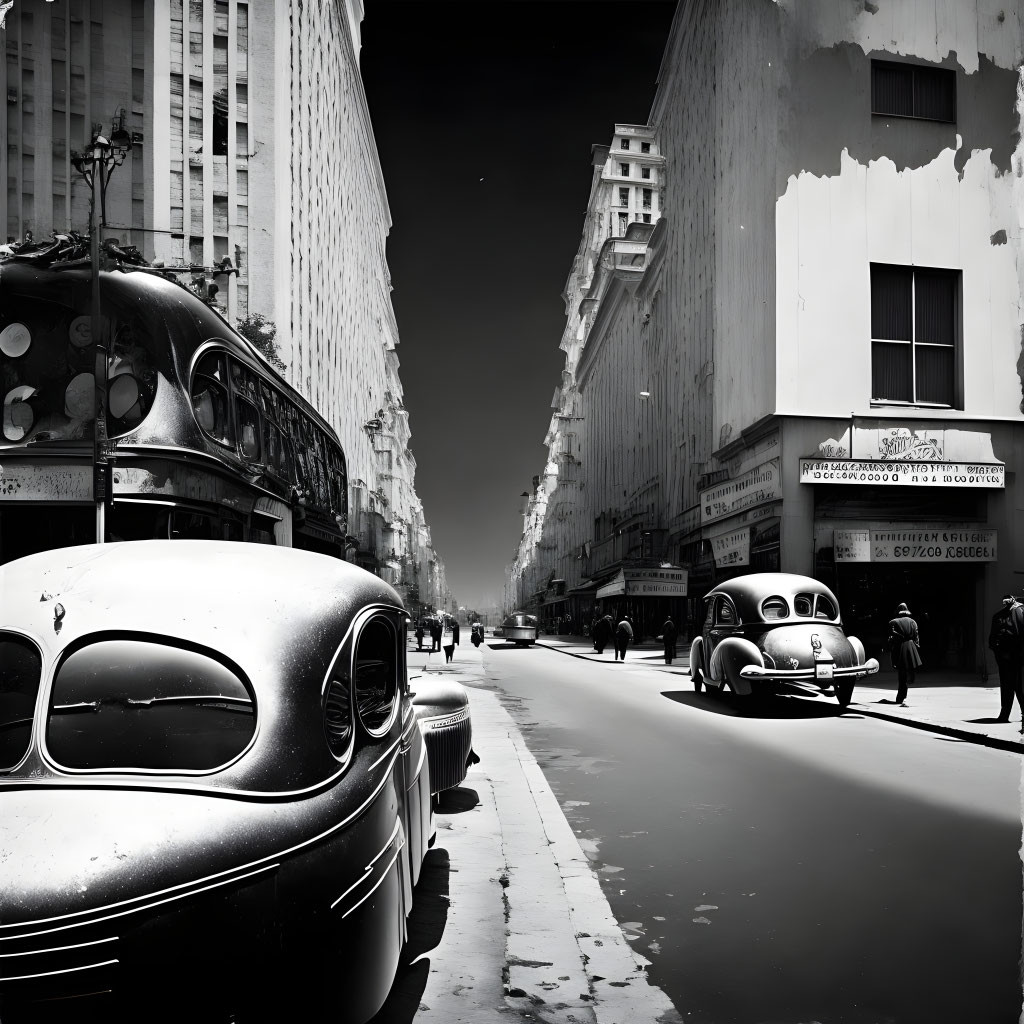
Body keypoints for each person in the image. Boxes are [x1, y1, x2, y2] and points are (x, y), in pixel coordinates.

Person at [987, 593, 1024, 724]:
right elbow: (993, 639)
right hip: (1011, 656)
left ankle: (1005, 714)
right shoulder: (1016, 613)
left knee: (1013, 685)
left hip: (1012, 656)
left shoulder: (1011, 613)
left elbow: (992, 640)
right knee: (1016, 685)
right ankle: (1006, 713)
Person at [885, 602, 921, 706]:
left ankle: (901, 697)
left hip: (899, 647)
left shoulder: (893, 622)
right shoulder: (913, 622)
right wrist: (916, 647)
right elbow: (916, 636)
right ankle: (903, 695)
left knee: (902, 674)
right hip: (911, 646)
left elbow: (890, 638)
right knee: (907, 671)